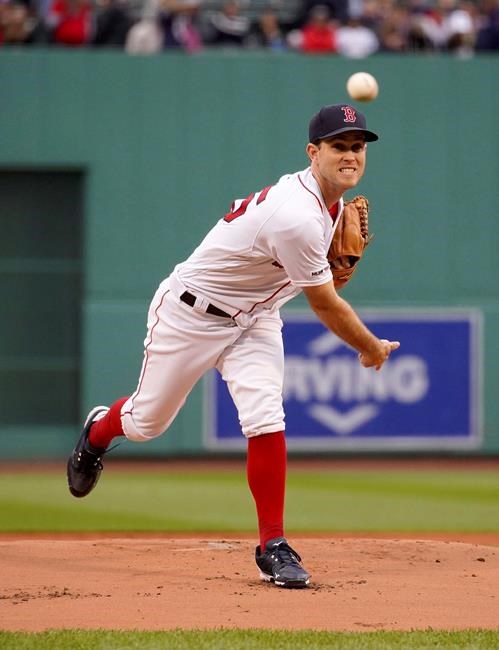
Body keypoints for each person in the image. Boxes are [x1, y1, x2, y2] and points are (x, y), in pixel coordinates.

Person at [67, 104, 400, 589]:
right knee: (145, 423)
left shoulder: (330, 207)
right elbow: (326, 306)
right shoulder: (299, 216)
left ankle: (273, 546)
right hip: (190, 314)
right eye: (338, 147)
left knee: (266, 417)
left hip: (255, 317)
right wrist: (368, 348)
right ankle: (98, 432)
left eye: (357, 147)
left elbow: (308, 288)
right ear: (314, 153)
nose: (350, 156)